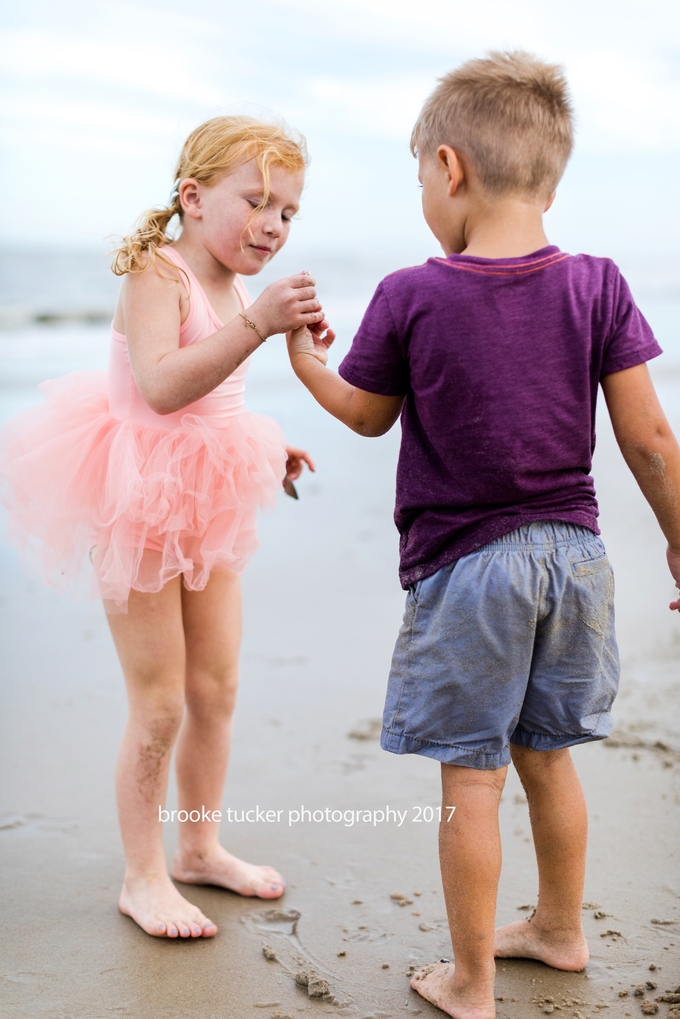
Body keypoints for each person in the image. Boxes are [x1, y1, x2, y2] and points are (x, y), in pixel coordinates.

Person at [285, 52, 680, 1019]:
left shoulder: (413, 294)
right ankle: (559, 926)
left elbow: (366, 414)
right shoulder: (598, 283)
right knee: (551, 753)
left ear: (450, 168)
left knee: (474, 774)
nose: (425, 194)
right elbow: (650, 439)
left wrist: (300, 359)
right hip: (579, 560)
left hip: (473, 571)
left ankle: (470, 981)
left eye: (422, 176)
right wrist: (679, 541)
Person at [0, 115, 330, 940]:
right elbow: (157, 387)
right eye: (256, 201)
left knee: (215, 689)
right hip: (137, 497)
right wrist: (256, 326)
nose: (273, 224)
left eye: (288, 212)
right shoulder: (161, 269)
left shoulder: (237, 284)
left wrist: (268, 444)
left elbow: (219, 398)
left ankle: (198, 848)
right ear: (192, 196)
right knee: (158, 703)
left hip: (209, 496)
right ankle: (142, 874)